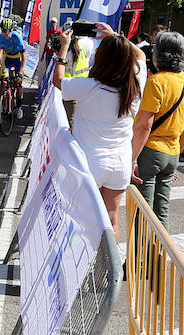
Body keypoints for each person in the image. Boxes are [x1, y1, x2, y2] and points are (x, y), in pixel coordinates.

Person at [52, 25, 147, 238]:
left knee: (81, 221)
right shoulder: (135, 84)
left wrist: (64, 49)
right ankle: (110, 271)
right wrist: (116, 36)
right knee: (112, 219)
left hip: (89, 163)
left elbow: (58, 80)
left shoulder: (90, 86)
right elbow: (140, 54)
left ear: (101, 58)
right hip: (121, 162)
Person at [134, 30, 184, 225]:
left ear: (159, 54)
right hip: (172, 153)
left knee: (143, 212)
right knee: (161, 212)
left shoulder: (156, 82)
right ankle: (159, 255)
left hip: (151, 151)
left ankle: (139, 256)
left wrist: (132, 158)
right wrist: (177, 152)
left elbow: (144, 125)